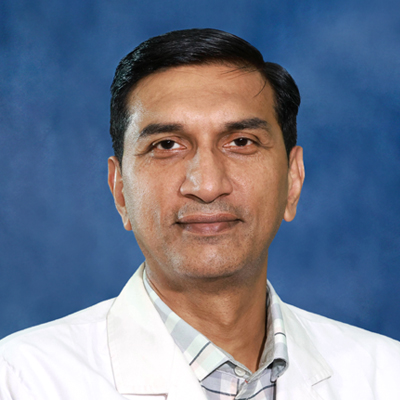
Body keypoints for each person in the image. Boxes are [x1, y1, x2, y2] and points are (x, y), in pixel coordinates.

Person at [0, 28, 399, 400]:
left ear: (292, 180)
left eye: (241, 142)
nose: (207, 185)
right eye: (167, 145)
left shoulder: (385, 375)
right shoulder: (22, 379)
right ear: (120, 190)